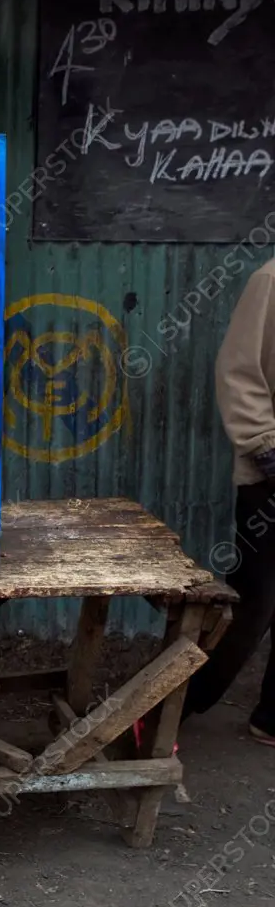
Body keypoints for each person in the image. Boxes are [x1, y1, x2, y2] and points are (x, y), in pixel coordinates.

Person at [183, 258, 275, 744]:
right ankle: (171, 708)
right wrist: (263, 444)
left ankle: (271, 718)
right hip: (270, 479)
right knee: (254, 604)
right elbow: (238, 370)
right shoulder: (271, 280)